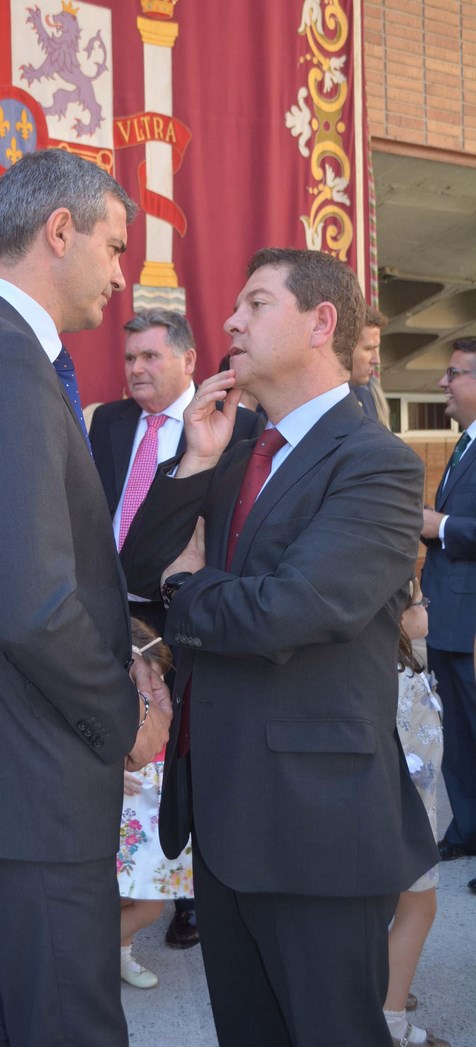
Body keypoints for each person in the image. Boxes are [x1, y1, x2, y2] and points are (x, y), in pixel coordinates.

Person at [121, 247, 437, 1047]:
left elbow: (294, 611)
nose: (230, 321)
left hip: (316, 828)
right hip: (225, 818)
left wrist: (191, 591)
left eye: (255, 303)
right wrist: (192, 459)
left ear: (321, 323)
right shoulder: (236, 446)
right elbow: (139, 567)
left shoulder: (377, 464)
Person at [0, 148, 171, 1047]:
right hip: (38, 764)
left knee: (30, 1014)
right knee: (71, 1020)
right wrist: (120, 714)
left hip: (22, 757)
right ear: (61, 231)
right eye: (114, 244)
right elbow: (31, 603)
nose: (122, 272)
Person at [90, 310, 262, 949]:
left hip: (183, 611)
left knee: (191, 747)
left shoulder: (239, 428)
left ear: (190, 361)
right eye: (130, 357)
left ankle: (194, 895)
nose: (136, 368)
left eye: (151, 357)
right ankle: (139, 876)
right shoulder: (108, 421)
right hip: (114, 607)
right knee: (139, 748)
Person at [384, 579, 449, 1047]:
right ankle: (389, 1023)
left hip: (394, 816)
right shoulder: (402, 682)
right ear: (399, 617)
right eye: (419, 600)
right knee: (418, 909)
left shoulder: (390, 668)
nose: (426, 605)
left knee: (388, 912)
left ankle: (388, 985)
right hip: (406, 821)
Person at [421, 336, 476, 861]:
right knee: (457, 734)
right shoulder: (465, 442)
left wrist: (441, 525)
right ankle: (467, 831)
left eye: (455, 373)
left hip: (470, 619)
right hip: (448, 616)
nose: (444, 383)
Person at [118, 619, 193, 988]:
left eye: (160, 681)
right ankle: (93, 951)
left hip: (152, 815)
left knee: (141, 897)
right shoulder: (112, 707)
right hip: (122, 817)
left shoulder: (162, 702)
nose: (154, 691)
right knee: (139, 901)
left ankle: (117, 952)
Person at [351, 303, 387, 421]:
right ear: (344, 346)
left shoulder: (366, 398)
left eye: (376, 349)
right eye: (368, 349)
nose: (376, 360)